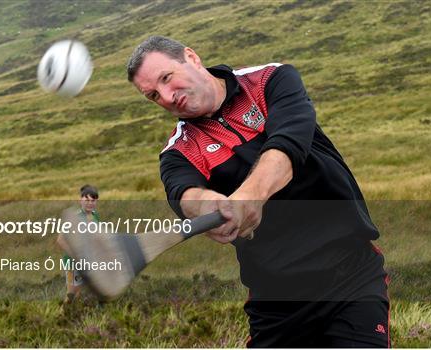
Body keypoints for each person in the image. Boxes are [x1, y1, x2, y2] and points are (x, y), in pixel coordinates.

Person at [126, 36, 390, 347]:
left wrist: (250, 195)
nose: (168, 96)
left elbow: (288, 144)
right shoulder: (178, 152)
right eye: (154, 95)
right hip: (276, 301)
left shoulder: (270, 80)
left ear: (191, 57)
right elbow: (185, 195)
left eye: (167, 78)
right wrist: (209, 206)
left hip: (351, 275)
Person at [57, 184, 100, 303]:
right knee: (71, 294)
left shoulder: (95, 215)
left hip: (87, 261)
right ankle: (60, 317)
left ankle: (73, 316)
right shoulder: (74, 218)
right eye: (87, 200)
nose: (90, 203)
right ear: (80, 200)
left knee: (79, 293)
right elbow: (60, 240)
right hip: (72, 263)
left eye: (93, 200)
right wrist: (76, 256)